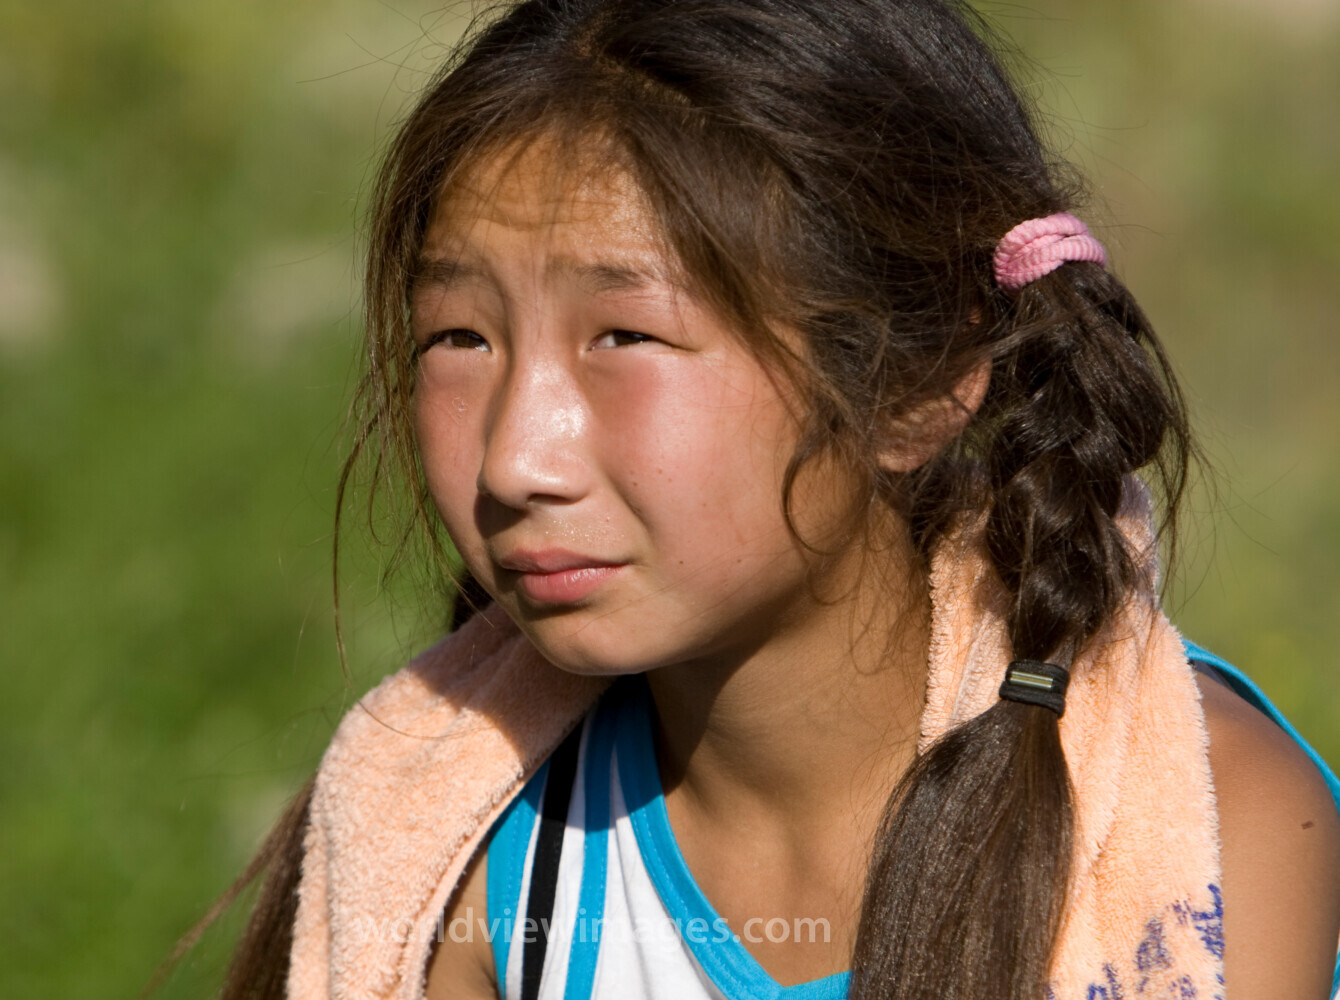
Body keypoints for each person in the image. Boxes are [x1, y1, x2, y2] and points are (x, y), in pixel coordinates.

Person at [208, 1, 1340, 998]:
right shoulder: (466, 855)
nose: (515, 459)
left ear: (920, 381)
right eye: (460, 337)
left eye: (625, 335)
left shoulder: (1201, 829)